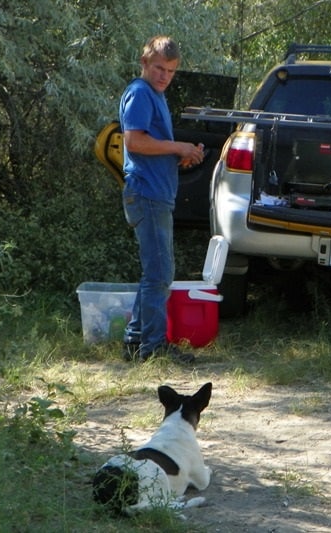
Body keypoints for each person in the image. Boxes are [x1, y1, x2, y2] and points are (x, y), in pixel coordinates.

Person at [120, 36, 204, 364]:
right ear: (144, 63)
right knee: (159, 274)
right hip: (147, 194)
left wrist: (180, 156)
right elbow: (134, 142)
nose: (163, 76)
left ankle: (135, 341)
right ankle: (153, 348)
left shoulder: (156, 95)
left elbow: (150, 146)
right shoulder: (140, 93)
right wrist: (177, 147)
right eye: (158, 68)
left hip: (156, 194)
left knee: (155, 273)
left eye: (170, 70)